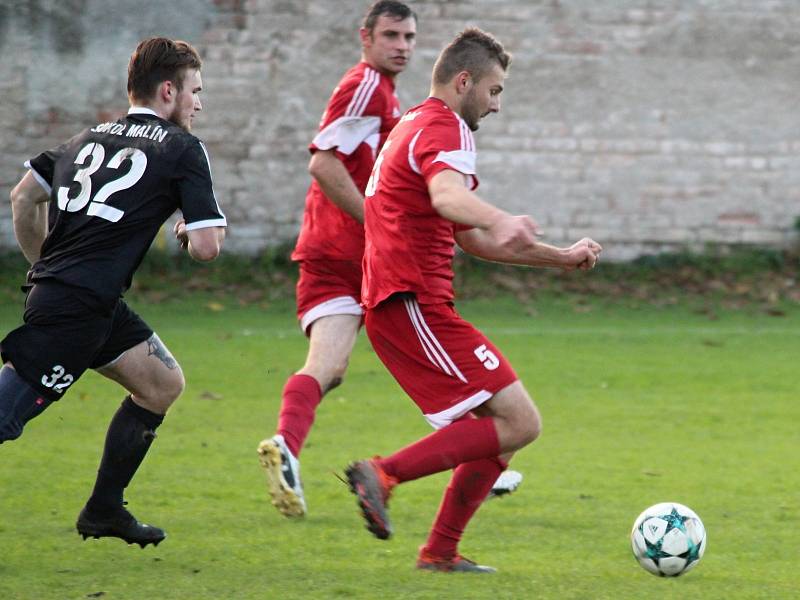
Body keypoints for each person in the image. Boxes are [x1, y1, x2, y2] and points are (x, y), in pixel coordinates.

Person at [344, 28, 602, 572]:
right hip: (410, 301)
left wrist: (559, 257)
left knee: (504, 427)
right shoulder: (445, 127)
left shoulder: (412, 124)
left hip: (407, 303)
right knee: (521, 422)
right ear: (464, 81)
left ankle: (440, 552)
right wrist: (500, 214)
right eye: (494, 90)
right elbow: (448, 197)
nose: (497, 104)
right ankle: (383, 472)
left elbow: (469, 237)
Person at [0, 37, 226, 548]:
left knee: (161, 383)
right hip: (76, 310)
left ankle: (103, 510)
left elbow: (22, 197)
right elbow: (209, 248)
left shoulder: (84, 138)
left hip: (88, 302)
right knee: (5, 416)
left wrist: (46, 268)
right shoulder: (182, 147)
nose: (199, 103)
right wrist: (189, 232)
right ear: (169, 90)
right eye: (195, 91)